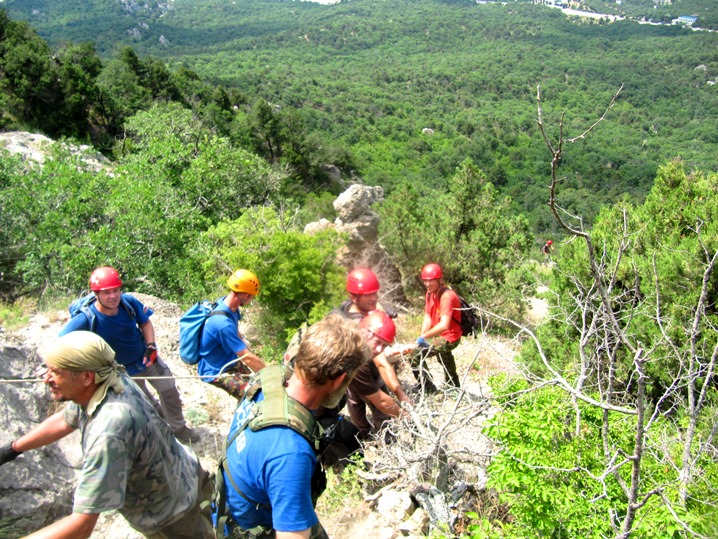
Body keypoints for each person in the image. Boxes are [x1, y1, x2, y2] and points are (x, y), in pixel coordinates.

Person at [0, 331, 214, 539]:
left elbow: (81, 526)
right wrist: (13, 449)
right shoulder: (108, 377)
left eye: (55, 372)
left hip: (172, 515)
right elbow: (66, 419)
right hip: (185, 475)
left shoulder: (108, 432)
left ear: (85, 377)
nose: (47, 379)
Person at [220, 315, 371, 538]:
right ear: (340, 379)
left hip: (236, 503)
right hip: (255, 526)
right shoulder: (291, 453)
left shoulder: (266, 379)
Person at [59, 266, 198, 443]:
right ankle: (161, 423)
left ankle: (179, 428)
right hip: (121, 371)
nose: (113, 296)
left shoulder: (128, 303)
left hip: (146, 358)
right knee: (143, 402)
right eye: (107, 292)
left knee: (169, 390)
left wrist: (151, 346)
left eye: (116, 290)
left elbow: (145, 323)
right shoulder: (86, 318)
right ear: (96, 294)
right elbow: (61, 340)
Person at [197, 269, 266, 400]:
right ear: (245, 296)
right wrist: (271, 374)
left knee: (257, 382)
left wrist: (242, 339)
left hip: (229, 360)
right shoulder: (222, 323)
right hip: (217, 371)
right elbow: (247, 358)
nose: (251, 300)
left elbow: (234, 330)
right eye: (251, 296)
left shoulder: (227, 305)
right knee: (256, 395)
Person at [346, 310, 408, 440]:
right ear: (365, 333)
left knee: (356, 403)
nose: (380, 349)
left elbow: (384, 365)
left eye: (384, 345)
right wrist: (406, 416)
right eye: (378, 343)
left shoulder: (365, 336)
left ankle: (376, 435)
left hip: (359, 377)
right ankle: (366, 437)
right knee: (359, 405)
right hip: (352, 378)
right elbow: (382, 401)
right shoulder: (353, 356)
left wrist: (401, 394)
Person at [411, 263, 462, 392]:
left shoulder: (446, 297)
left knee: (414, 355)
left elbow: (444, 325)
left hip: (450, 336)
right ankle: (454, 386)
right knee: (443, 356)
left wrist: (424, 337)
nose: (427, 284)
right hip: (442, 335)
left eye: (431, 280)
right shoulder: (430, 293)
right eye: (425, 281)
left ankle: (427, 387)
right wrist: (421, 337)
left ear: (440, 280)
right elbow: (428, 316)